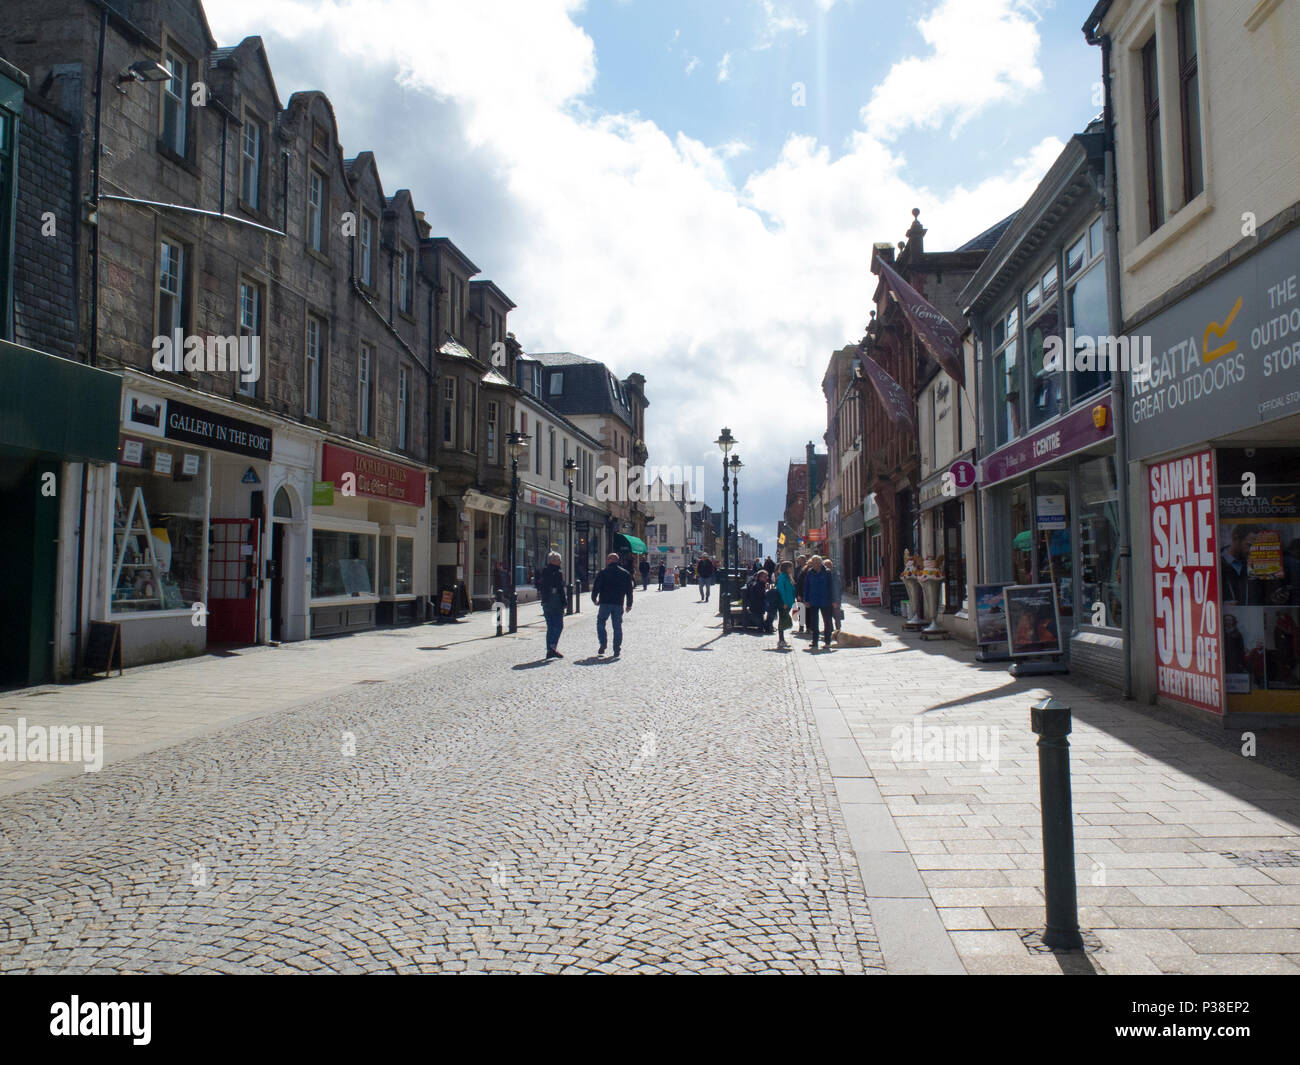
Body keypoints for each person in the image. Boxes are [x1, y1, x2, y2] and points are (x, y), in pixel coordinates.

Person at [592, 551, 634, 658]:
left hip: (605, 602)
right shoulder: (625, 573)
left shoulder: (603, 572)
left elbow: (596, 587)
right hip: (618, 603)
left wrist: (594, 598)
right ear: (617, 561)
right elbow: (629, 590)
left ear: (609, 561)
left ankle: (603, 643)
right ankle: (616, 649)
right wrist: (629, 604)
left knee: (600, 622)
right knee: (617, 627)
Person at [538, 550, 567, 659]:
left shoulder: (544, 571)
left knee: (550, 626)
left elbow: (539, 584)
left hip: (545, 600)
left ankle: (550, 649)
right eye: (559, 560)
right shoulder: (557, 572)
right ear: (554, 561)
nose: (560, 562)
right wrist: (564, 602)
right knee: (558, 625)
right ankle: (552, 647)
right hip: (555, 600)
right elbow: (560, 588)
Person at [802, 555, 833, 651]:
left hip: (825, 600)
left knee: (827, 621)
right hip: (813, 600)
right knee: (814, 622)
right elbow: (806, 587)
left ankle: (827, 641)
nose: (815, 564)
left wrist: (834, 600)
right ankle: (815, 641)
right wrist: (806, 600)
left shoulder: (827, 572)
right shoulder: (810, 573)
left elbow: (832, 586)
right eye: (813, 562)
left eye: (817, 562)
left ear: (821, 563)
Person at [775, 560, 796, 650]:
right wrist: (784, 602)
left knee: (784, 620)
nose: (791, 569)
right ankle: (781, 640)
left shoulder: (788, 577)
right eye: (790, 567)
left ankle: (782, 639)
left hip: (789, 602)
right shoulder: (782, 577)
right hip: (785, 603)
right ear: (786, 568)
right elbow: (781, 591)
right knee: (783, 620)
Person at [824, 558, 843, 632]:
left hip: (834, 599)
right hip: (828, 598)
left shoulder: (834, 575)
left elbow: (837, 588)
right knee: (829, 615)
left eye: (826, 566)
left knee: (836, 615)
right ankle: (831, 629)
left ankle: (838, 629)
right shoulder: (829, 574)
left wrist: (837, 600)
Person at [794, 554, 809, 633]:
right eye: (798, 561)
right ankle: (801, 626)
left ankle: (809, 627)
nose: (798, 562)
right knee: (801, 610)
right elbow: (796, 582)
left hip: (807, 592)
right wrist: (797, 594)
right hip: (800, 593)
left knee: (809, 611)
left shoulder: (808, 569)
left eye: (799, 560)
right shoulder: (797, 569)